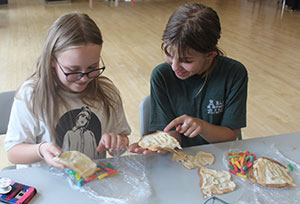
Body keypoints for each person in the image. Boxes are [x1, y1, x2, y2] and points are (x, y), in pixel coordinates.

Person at [5, 12, 131, 168]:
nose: (83, 77)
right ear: (52, 60)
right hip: (46, 185)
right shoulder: (31, 95)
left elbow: (121, 142)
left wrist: (118, 142)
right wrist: (41, 149)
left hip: (91, 181)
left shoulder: (107, 94)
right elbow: (13, 152)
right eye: (73, 69)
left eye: (92, 67)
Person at [129, 3, 248, 154]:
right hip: (177, 158)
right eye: (169, 55)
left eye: (186, 61)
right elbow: (170, 133)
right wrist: (161, 144)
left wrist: (202, 127)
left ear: (210, 55)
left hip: (219, 154)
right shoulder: (162, 76)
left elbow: (230, 135)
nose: (174, 67)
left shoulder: (234, 74)